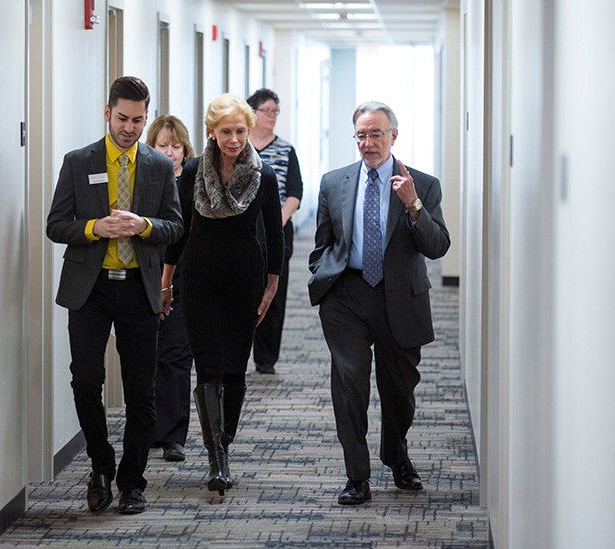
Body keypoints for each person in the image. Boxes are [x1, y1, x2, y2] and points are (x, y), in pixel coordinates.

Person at [46, 76, 183, 515]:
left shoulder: (159, 166)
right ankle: (100, 466)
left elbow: (174, 226)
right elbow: (55, 225)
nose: (130, 128)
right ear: (107, 113)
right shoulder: (78, 160)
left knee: (142, 391)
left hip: (139, 289)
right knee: (86, 381)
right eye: (122, 118)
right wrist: (94, 229)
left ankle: (132, 482)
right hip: (91, 290)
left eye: (138, 120)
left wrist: (143, 225)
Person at [308, 101, 450, 505]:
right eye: (361, 135)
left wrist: (413, 205)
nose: (368, 143)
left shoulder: (422, 184)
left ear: (393, 136)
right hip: (347, 298)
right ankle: (357, 476)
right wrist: (322, 273)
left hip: (399, 299)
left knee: (399, 392)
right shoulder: (334, 181)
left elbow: (438, 246)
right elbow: (323, 242)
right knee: (349, 387)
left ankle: (396, 454)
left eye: (376, 134)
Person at [163, 93, 284, 495]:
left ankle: (224, 438)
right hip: (199, 278)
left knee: (234, 368)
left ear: (249, 130)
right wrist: (166, 280)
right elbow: (178, 231)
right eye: (226, 131)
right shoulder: (193, 171)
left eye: (240, 131)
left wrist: (272, 286)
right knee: (209, 367)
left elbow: (274, 233)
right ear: (211, 133)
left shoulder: (264, 175)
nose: (234, 139)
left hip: (245, 279)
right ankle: (218, 458)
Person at [145, 115, 196, 462]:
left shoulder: (192, 183)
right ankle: (149, 427)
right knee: (147, 355)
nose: (170, 152)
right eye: (163, 144)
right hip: (145, 276)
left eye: (175, 146)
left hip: (183, 279)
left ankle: (174, 436)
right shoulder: (142, 182)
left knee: (176, 355)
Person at [246, 88, 303, 375]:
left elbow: (295, 191)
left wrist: (278, 218)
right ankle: (241, 347)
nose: (271, 116)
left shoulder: (286, 150)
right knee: (245, 289)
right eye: (266, 110)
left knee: (273, 291)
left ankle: (266, 357)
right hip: (242, 233)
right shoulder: (237, 145)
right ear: (252, 112)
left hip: (276, 231)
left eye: (275, 111)